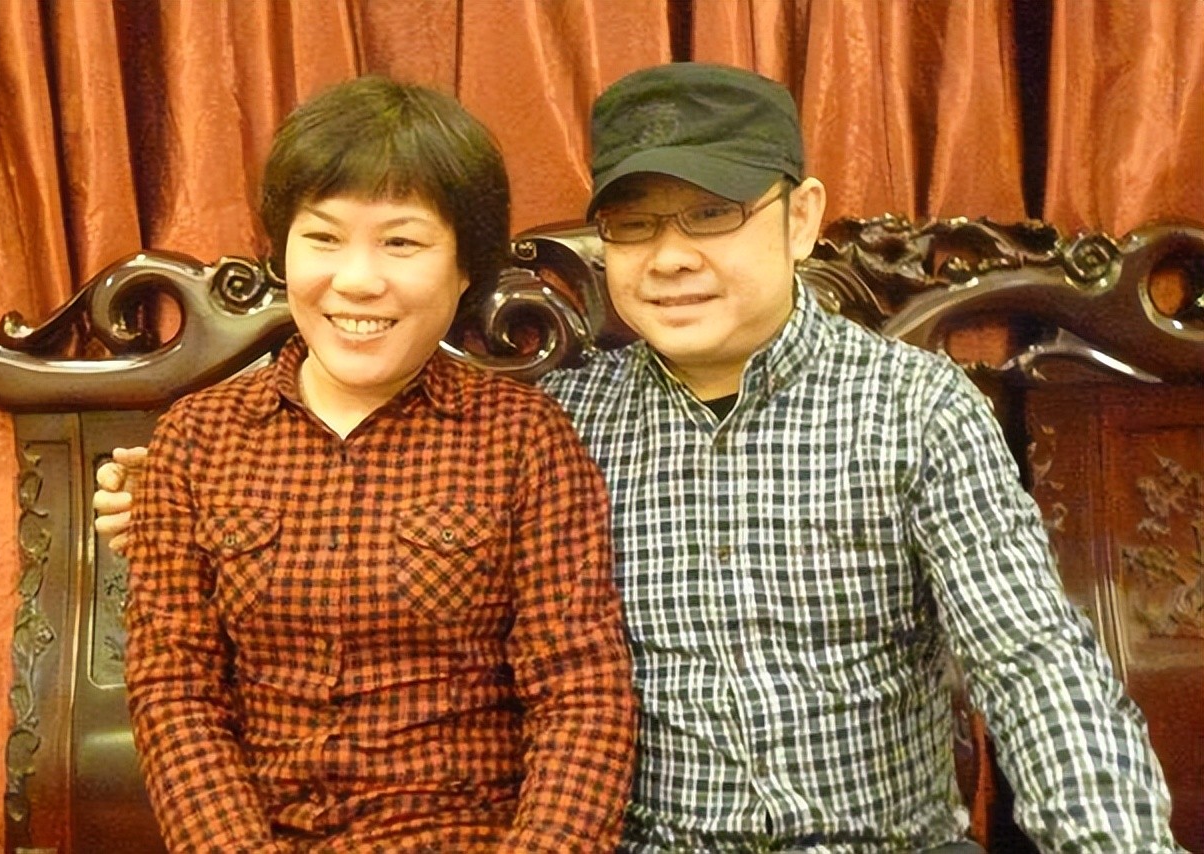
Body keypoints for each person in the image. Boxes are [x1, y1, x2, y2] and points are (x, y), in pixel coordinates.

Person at [98, 64, 1183, 852]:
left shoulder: (918, 410)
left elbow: (1031, 662)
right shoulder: (566, 416)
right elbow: (374, 478)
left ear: (799, 217)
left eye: (711, 215)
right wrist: (171, 498)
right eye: (633, 225)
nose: (669, 258)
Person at [111, 75, 637, 853]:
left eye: (402, 242)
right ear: (281, 251)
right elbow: (175, 690)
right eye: (323, 238)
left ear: (465, 268)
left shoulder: (523, 438)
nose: (357, 281)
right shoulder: (197, 438)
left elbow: (580, 693)